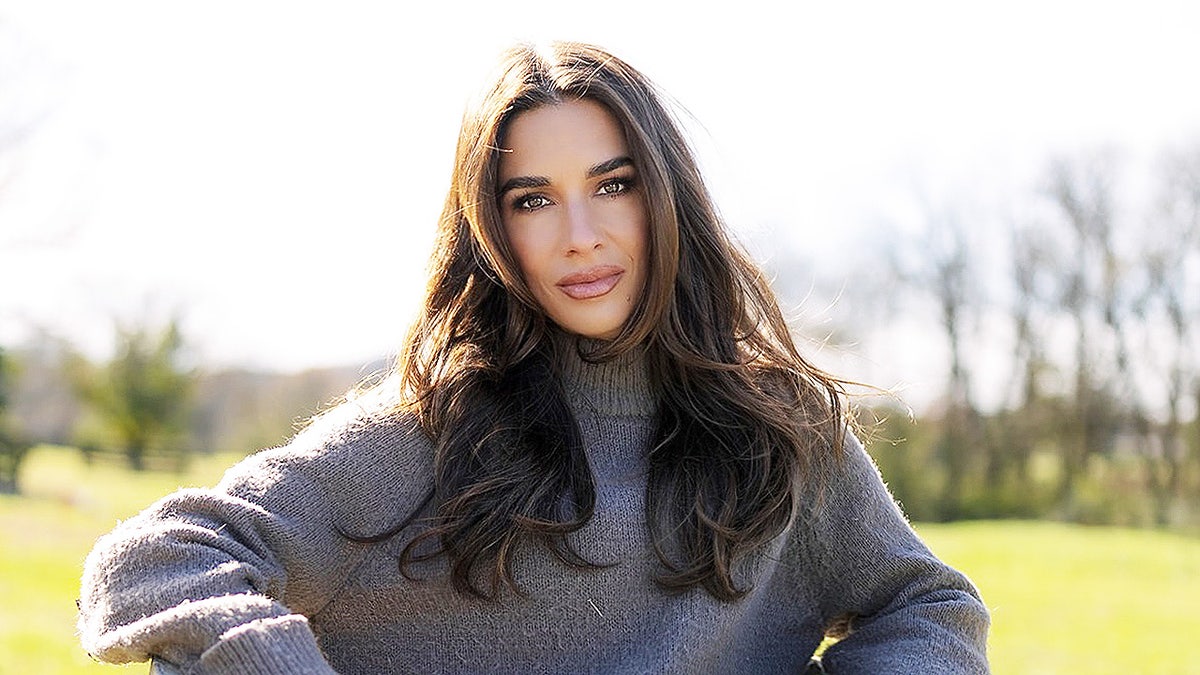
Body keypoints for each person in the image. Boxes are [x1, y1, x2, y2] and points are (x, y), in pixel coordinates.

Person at [78, 41, 990, 673]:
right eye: (533, 199)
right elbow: (153, 560)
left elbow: (932, 608)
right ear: (491, 229)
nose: (580, 235)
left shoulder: (783, 432)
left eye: (613, 185)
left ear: (665, 196)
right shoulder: (424, 433)